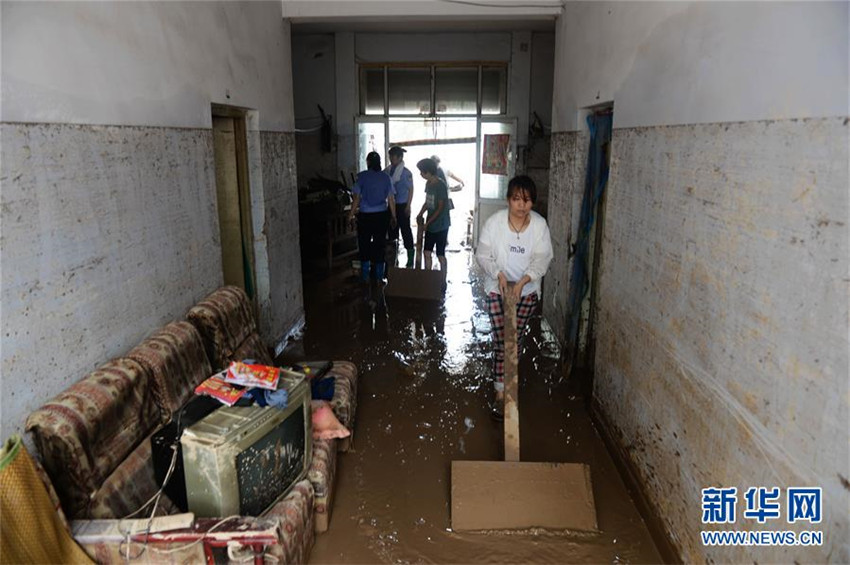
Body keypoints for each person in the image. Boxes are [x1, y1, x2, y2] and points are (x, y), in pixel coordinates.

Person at [475, 175, 553, 419]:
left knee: (514, 341)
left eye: (528, 200)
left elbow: (542, 257)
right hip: (497, 288)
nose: (522, 205)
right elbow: (483, 254)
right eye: (517, 199)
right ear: (508, 200)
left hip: (526, 291)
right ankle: (501, 392)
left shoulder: (539, 226)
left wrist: (524, 281)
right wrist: (498, 274)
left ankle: (507, 383)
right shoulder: (494, 223)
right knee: (502, 340)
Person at [348, 151, 396, 284]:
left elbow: (356, 199)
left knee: (364, 244)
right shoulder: (386, 178)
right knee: (379, 244)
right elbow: (391, 199)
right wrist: (393, 216)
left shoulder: (361, 177)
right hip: (381, 216)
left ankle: (365, 276)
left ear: (368, 162)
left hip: (365, 217)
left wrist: (350, 215)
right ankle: (379, 278)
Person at [415, 158, 450, 277]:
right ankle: (428, 278)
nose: (421, 174)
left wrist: (428, 223)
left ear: (429, 172)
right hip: (431, 224)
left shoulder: (441, 185)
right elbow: (427, 202)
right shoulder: (428, 184)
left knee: (440, 255)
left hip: (441, 225)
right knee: (426, 252)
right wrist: (420, 213)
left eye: (422, 172)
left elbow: (440, 208)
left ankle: (443, 278)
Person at [384, 146, 415, 267]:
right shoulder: (387, 171)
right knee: (392, 232)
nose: (391, 159)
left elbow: (411, 189)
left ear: (400, 158)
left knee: (406, 231)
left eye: (393, 157)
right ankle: (393, 259)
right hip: (391, 205)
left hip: (402, 205)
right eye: (390, 157)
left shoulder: (406, 173)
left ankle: (410, 258)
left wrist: (408, 205)